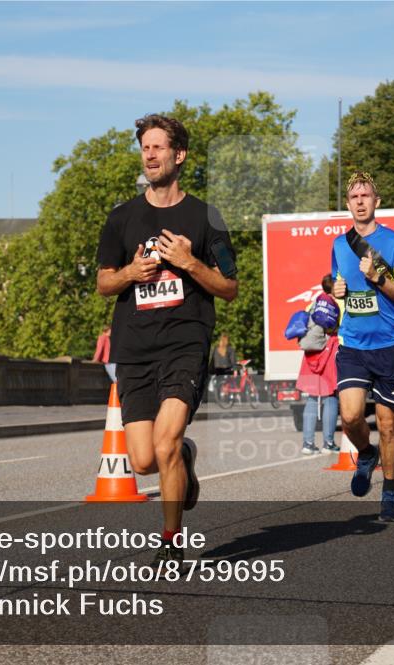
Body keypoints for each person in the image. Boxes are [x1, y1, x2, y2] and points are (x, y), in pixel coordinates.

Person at [95, 114, 237, 562]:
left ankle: (171, 542)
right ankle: (184, 460)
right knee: (141, 461)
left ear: (179, 155)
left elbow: (230, 287)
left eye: (158, 147)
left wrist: (190, 263)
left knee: (165, 442)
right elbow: (103, 283)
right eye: (145, 148)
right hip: (134, 346)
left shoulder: (205, 216)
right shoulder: (121, 218)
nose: (150, 155)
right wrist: (131, 273)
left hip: (185, 341)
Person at [331, 172, 394, 522]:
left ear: (376, 202)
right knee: (350, 416)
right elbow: (340, 285)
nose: (360, 201)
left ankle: (390, 489)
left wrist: (378, 278)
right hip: (352, 341)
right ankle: (366, 454)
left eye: (366, 195)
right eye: (354, 197)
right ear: (348, 204)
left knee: (387, 424)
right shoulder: (339, 245)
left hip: (387, 343)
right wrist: (336, 291)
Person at [296, 277, 340, 455]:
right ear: (333, 287)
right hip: (327, 353)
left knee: (312, 399)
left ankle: (308, 443)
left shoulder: (314, 304)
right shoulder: (332, 305)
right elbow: (334, 329)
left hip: (310, 355)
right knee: (330, 397)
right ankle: (328, 443)